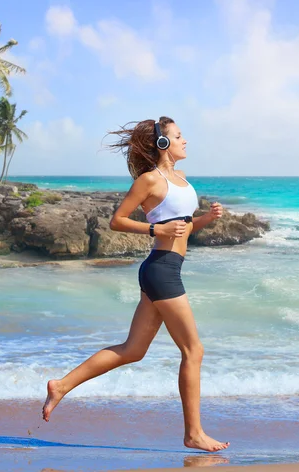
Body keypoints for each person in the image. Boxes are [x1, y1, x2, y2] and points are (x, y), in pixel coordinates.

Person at [42, 116, 229, 453]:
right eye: (178, 136)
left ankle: (61, 385)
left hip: (167, 268)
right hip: (161, 271)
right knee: (193, 350)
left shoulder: (181, 179)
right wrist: (156, 230)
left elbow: (183, 229)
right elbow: (117, 221)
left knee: (133, 350)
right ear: (162, 144)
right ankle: (194, 434)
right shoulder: (149, 181)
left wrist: (207, 219)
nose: (185, 141)